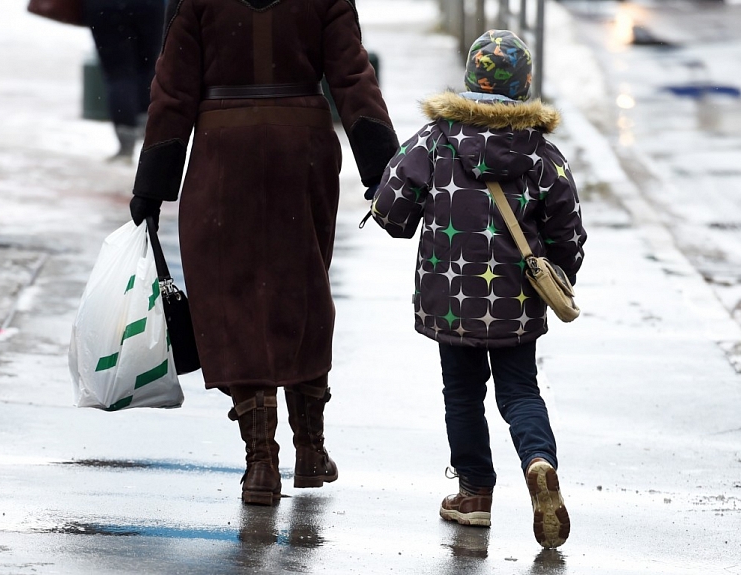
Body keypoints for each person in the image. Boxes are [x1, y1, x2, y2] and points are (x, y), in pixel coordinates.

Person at [128, 0, 398, 505]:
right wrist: (384, 168)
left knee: (232, 301)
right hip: (303, 150)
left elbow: (173, 90)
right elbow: (352, 77)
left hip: (223, 155)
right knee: (304, 289)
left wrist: (152, 183)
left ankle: (260, 466)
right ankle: (311, 450)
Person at [369, 30, 586, 549]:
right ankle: (538, 462)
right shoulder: (542, 154)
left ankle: (474, 496)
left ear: (469, 80)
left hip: (452, 298)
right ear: (525, 85)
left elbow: (390, 209)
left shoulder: (435, 140)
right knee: (520, 391)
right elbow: (568, 231)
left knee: (462, 394)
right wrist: (562, 272)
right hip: (514, 299)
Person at [85, 0, 165, 162]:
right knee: (148, 68)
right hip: (149, 6)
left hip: (106, 7)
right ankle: (149, 140)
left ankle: (126, 147)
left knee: (119, 75)